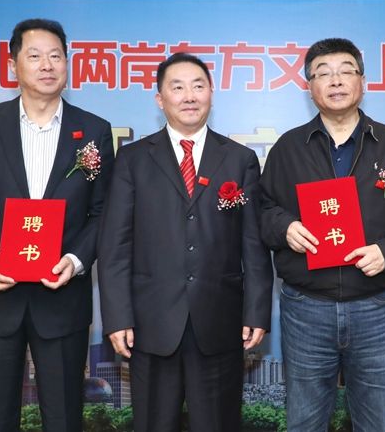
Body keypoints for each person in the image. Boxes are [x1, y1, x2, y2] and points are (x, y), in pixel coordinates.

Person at [0, 18, 114, 431]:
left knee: (64, 420)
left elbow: (104, 213)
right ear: (13, 65)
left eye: (56, 56)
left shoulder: (94, 131)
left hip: (63, 300)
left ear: (67, 63)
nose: (47, 65)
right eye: (34, 56)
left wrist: (76, 260)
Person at [259, 38, 385, 431]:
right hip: (306, 308)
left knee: (376, 421)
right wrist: (284, 227)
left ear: (362, 81)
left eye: (346, 71)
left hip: (376, 307)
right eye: (323, 73)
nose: (336, 81)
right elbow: (263, 208)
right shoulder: (288, 148)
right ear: (310, 87)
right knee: (304, 420)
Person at [98, 53, 273, 432]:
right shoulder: (132, 159)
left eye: (198, 86)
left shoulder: (239, 159)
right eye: (177, 88)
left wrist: (257, 311)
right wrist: (117, 317)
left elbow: (253, 244)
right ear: (160, 99)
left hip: (220, 321)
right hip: (150, 323)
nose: (189, 96)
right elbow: (115, 246)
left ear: (211, 93)